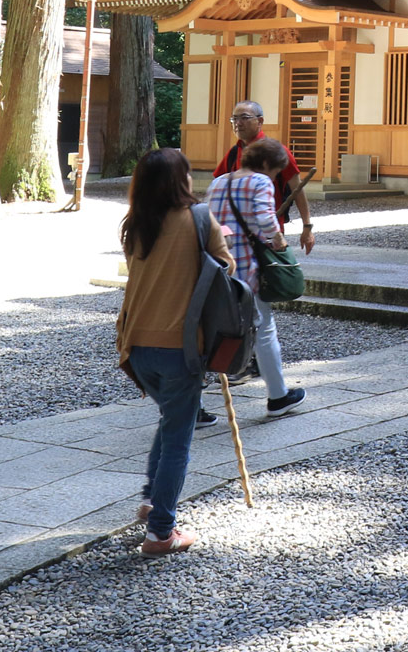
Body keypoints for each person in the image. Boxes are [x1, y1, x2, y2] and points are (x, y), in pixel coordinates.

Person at [116, 147, 231, 556]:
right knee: (179, 437)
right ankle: (161, 532)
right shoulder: (199, 219)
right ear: (180, 180)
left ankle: (151, 501)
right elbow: (225, 270)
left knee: (171, 420)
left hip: (136, 345)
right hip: (179, 345)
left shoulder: (135, 225)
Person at [209, 137, 306, 417]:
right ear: (265, 164)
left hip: (218, 268)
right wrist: (279, 242)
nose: (274, 178)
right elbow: (265, 219)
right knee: (264, 330)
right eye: (276, 172)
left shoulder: (219, 182)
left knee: (213, 331)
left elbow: (208, 220)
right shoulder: (260, 182)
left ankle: (195, 405)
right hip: (249, 269)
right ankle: (278, 397)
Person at [216, 101, 316, 252]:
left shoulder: (277, 152)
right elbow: (218, 188)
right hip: (236, 232)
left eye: (244, 118)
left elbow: (297, 189)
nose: (238, 123)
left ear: (260, 121)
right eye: (234, 119)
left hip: (270, 233)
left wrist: (307, 226)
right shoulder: (233, 153)